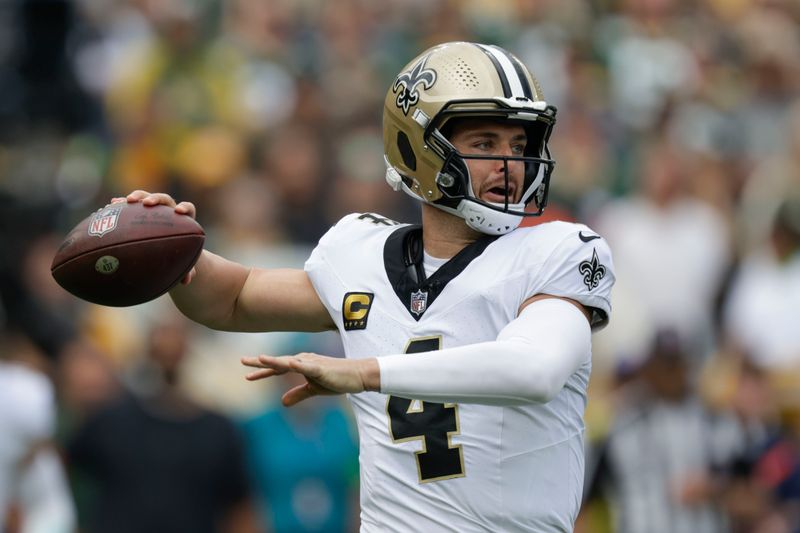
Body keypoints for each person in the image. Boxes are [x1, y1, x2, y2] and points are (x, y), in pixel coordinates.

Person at [120, 41, 615, 532]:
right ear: (416, 147)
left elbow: (535, 369)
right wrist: (172, 246)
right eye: (485, 144)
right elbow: (230, 299)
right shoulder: (360, 253)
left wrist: (363, 372)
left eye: (519, 146)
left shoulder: (559, 250)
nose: (510, 165)